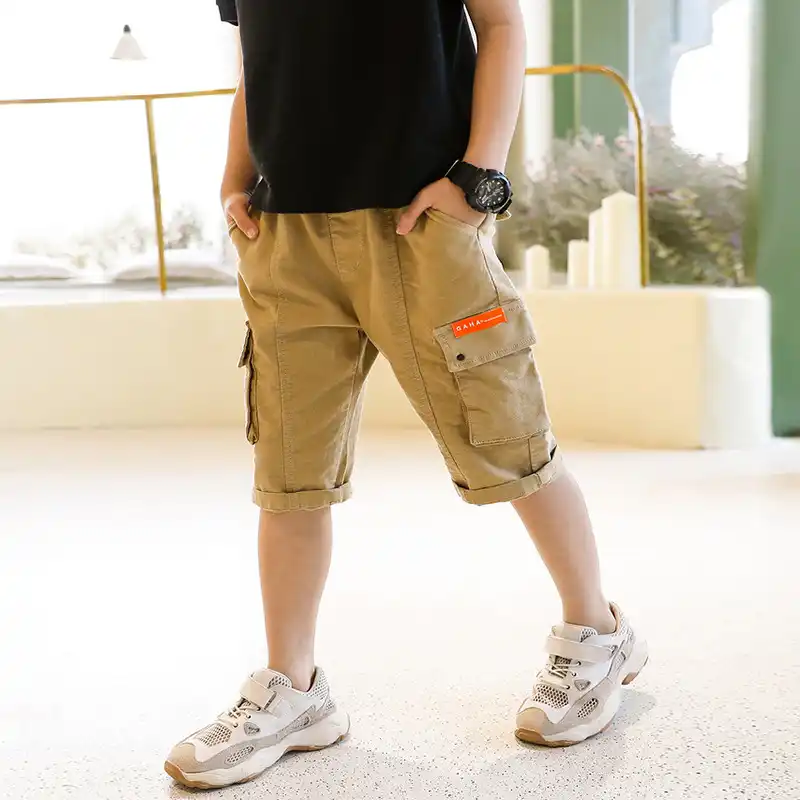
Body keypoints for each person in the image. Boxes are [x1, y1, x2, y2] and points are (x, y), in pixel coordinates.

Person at [164, 0, 648, 789]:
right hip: (286, 238)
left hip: (421, 224)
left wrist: (477, 178)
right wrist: (233, 180)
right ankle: (294, 689)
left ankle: (598, 632)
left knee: (509, 439)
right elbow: (257, 60)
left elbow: (502, 25)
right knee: (289, 474)